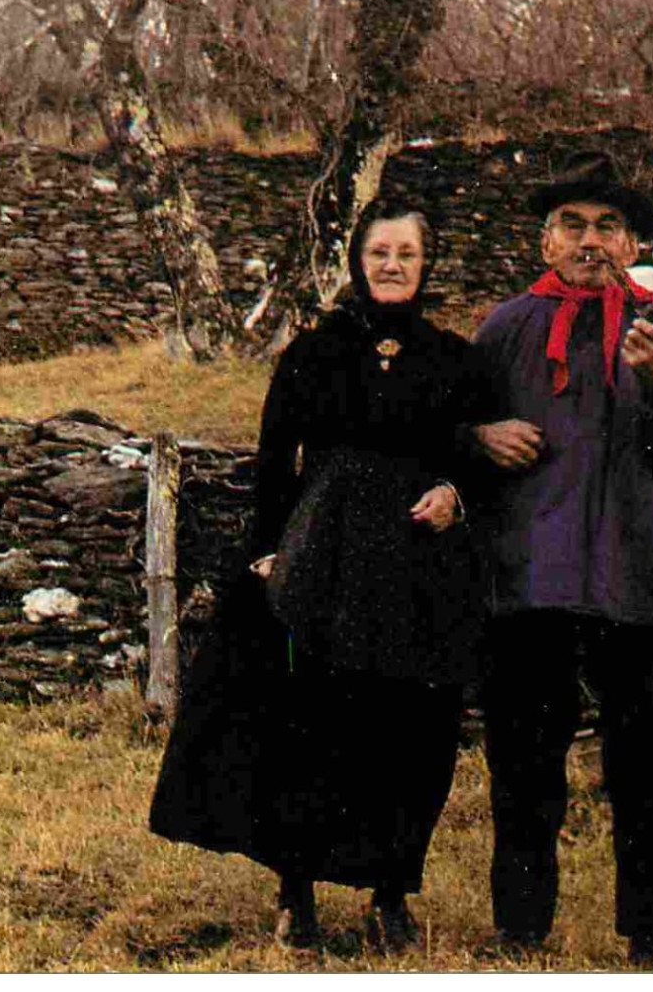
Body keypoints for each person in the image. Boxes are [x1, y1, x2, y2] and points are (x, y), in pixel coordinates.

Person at [149, 202, 491, 952]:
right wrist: (268, 550)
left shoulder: (456, 360)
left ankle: (391, 894)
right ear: (358, 261)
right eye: (379, 251)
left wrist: (456, 494)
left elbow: (479, 459)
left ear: (426, 262)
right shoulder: (313, 353)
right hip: (325, 559)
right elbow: (275, 462)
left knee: (410, 731)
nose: (393, 264)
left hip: (415, 568)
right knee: (307, 726)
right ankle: (295, 892)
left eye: (406, 251)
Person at [470, 152, 653, 969]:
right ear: (546, 241)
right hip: (530, 576)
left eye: (607, 227)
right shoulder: (507, 328)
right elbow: (450, 433)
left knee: (646, 762)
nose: (590, 241)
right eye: (573, 225)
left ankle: (652, 938)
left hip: (640, 574)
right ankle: (519, 928)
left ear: (633, 243)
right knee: (523, 755)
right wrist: (477, 439)